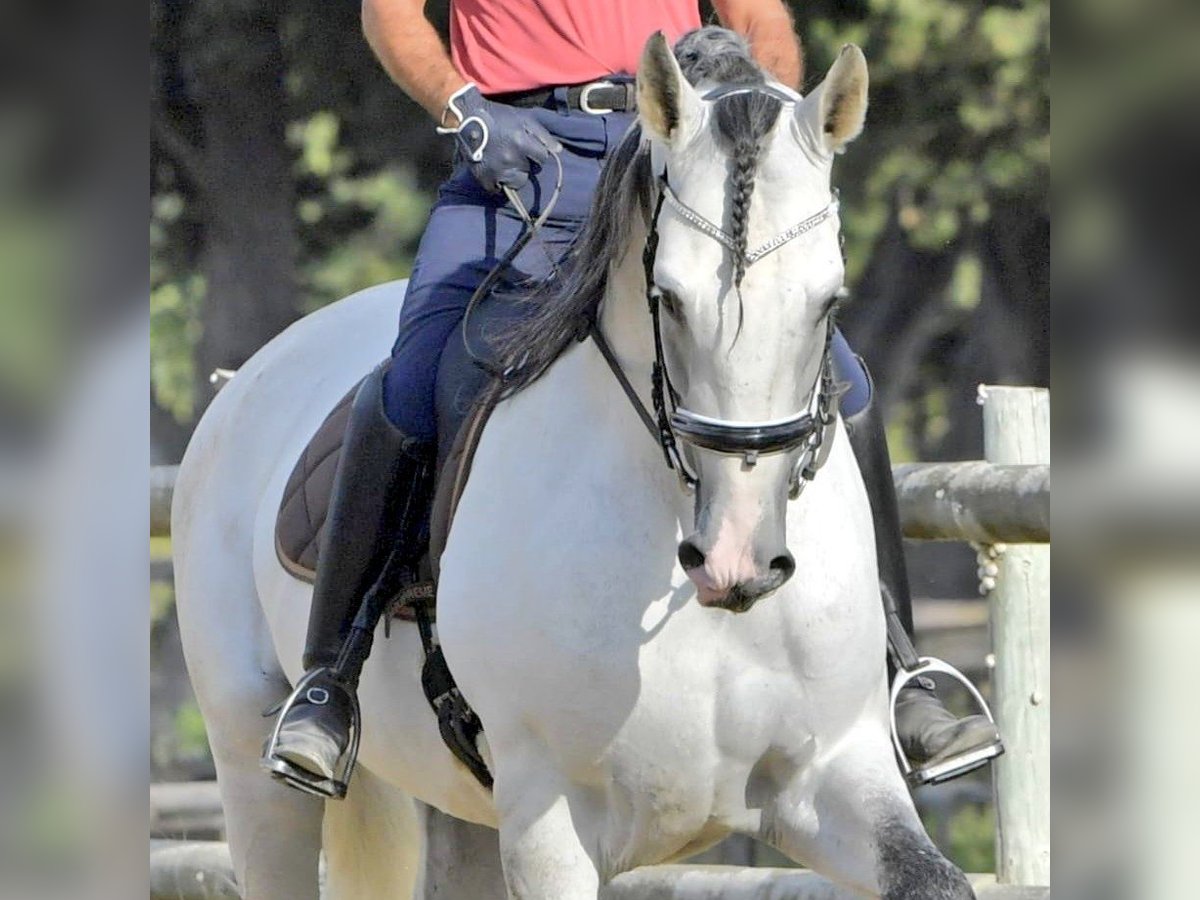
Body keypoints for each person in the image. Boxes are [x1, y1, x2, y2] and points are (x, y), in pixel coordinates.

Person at [264, 0, 1001, 798]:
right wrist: (465, 111)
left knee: (846, 384)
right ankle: (329, 682)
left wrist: (776, 129)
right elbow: (391, 14)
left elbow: (762, 23)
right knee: (409, 384)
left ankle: (902, 668)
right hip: (520, 155)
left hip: (684, 145)